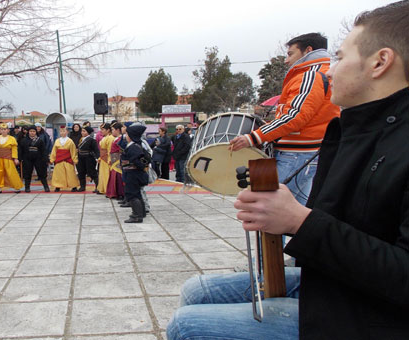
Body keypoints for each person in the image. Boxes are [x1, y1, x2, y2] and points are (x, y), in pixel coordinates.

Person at [168, 2, 409, 339]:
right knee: (198, 291)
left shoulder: (319, 84)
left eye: (339, 57)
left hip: (376, 317)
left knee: (186, 325)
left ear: (380, 62)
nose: (328, 71)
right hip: (346, 285)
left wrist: (299, 220)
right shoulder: (355, 131)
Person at [229, 32, 340, 205]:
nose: (286, 60)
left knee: (265, 207)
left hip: (295, 154)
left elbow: (295, 116)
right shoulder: (319, 73)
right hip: (302, 153)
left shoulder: (310, 75)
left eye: (290, 54)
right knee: (295, 211)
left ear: (308, 51)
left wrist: (253, 137)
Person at [121, 124, 149, 223]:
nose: (125, 136)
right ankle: (141, 213)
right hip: (133, 173)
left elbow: (137, 161)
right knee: (136, 193)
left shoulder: (134, 147)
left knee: (132, 194)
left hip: (133, 174)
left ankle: (136, 215)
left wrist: (130, 166)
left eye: (127, 134)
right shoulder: (135, 145)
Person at [0, 123, 22, 193]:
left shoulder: (12, 139)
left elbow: (14, 149)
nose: (3, 131)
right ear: (0, 131)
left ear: (8, 130)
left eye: (5, 129)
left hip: (8, 158)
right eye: (2, 129)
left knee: (11, 172)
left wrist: (15, 158)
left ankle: (16, 186)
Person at [20, 125, 49, 192]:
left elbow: (43, 151)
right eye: (31, 131)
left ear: (36, 132)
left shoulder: (40, 140)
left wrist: (45, 159)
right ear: (28, 132)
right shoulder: (24, 140)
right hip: (27, 159)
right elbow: (21, 150)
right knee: (27, 173)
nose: (32, 132)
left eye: (33, 131)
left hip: (38, 159)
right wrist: (20, 158)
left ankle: (46, 187)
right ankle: (27, 187)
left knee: (41, 173)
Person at [49, 126, 79, 192]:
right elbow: (54, 151)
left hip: (67, 159)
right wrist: (52, 159)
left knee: (70, 173)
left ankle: (73, 186)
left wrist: (75, 159)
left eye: (64, 131)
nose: (62, 133)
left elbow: (73, 151)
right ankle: (58, 186)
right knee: (58, 174)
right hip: (59, 159)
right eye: (61, 131)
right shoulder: (57, 141)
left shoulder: (70, 141)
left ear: (67, 132)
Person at [76, 126, 99, 192]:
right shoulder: (81, 139)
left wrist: (98, 157)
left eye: (84, 131)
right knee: (81, 172)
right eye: (82, 131)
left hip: (89, 158)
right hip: (80, 157)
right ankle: (82, 186)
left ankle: (97, 187)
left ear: (88, 132)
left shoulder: (91, 140)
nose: (82, 132)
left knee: (92, 172)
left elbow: (96, 150)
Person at [105, 122, 124, 200]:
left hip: (118, 160)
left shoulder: (121, 139)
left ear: (118, 130)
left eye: (113, 130)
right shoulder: (116, 138)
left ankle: (120, 193)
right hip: (113, 159)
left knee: (118, 178)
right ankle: (114, 193)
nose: (112, 131)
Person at [96, 123, 113, 194]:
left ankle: (107, 189)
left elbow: (109, 150)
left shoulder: (110, 138)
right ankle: (102, 188)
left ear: (108, 130)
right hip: (103, 158)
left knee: (107, 174)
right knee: (102, 174)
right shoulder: (105, 138)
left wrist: (109, 159)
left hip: (106, 158)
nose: (101, 131)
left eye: (103, 129)